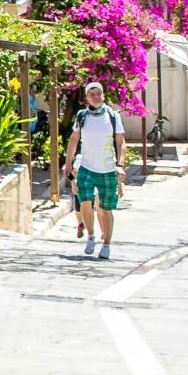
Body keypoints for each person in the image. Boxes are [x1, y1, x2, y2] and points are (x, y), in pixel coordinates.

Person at [64, 80, 126, 260]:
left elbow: (121, 142)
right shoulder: (82, 116)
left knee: (106, 209)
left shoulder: (113, 116)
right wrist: (68, 163)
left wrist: (120, 165)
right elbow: (74, 140)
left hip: (107, 168)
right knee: (85, 201)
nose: (96, 96)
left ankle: (106, 244)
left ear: (103, 95)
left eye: (98, 93)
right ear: (87, 98)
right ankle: (90, 235)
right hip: (87, 167)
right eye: (92, 94)